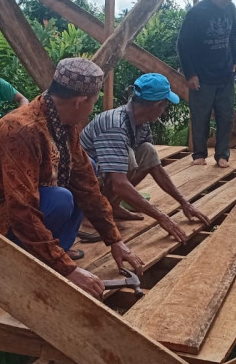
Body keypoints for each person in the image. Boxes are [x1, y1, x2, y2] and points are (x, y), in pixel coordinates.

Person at [0, 57, 143, 298]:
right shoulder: (22, 130)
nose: (92, 109)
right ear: (80, 101)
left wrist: (114, 239)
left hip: (19, 213)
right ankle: (27, 261)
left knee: (87, 170)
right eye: (93, 102)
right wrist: (67, 269)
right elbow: (22, 209)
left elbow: (87, 185)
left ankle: (52, 253)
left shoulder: (63, 123)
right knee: (60, 198)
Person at [80, 73, 210, 243]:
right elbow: (119, 183)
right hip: (82, 185)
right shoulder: (115, 125)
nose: (164, 110)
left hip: (103, 176)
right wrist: (161, 217)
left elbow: (154, 166)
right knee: (127, 158)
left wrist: (184, 203)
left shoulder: (141, 121)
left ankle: (112, 205)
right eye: (165, 105)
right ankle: (91, 215)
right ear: (158, 104)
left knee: (147, 150)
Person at [177, 0, 236, 169]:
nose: (229, 0)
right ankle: (199, 154)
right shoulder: (197, 13)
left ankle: (222, 155)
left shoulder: (231, 9)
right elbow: (183, 45)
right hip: (202, 75)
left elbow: (232, 37)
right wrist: (190, 74)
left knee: (226, 116)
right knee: (200, 116)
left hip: (225, 73)